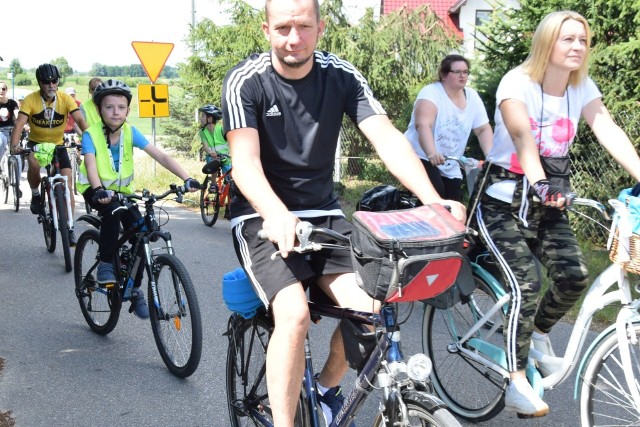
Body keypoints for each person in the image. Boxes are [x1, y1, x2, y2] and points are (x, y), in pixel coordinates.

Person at [221, 0, 466, 425]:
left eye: (303, 26)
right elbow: (245, 162)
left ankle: (325, 390)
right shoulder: (247, 81)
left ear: (320, 27)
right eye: (282, 28)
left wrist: (432, 199)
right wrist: (278, 216)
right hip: (262, 217)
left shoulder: (342, 75)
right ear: (266, 30)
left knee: (372, 308)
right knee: (294, 314)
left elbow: (387, 139)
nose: (293, 37)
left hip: (324, 214)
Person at [473, 10, 640, 417]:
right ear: (548, 42)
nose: (577, 47)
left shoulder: (581, 87)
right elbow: (520, 135)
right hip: (502, 202)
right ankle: (515, 382)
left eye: (583, 40)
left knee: (573, 276)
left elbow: (607, 128)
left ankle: (541, 333)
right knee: (526, 283)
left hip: (548, 204)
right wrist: (540, 182)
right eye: (568, 39)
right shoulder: (517, 83)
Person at [76, 79, 200, 318]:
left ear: (128, 111)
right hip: (96, 190)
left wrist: (187, 178)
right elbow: (91, 164)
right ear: (100, 110)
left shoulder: (130, 132)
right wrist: (99, 188)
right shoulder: (91, 134)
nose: (115, 112)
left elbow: (161, 156)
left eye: (121, 107)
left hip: (123, 193)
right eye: (109, 107)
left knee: (143, 231)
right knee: (112, 212)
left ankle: (134, 289)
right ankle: (105, 263)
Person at [10, 64, 88, 245]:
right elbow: (19, 124)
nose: (52, 85)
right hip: (36, 144)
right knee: (34, 165)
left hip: (58, 145)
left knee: (67, 184)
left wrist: (90, 141)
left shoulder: (65, 98)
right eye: (47, 82)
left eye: (55, 81)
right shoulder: (31, 99)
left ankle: (69, 228)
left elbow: (80, 120)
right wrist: (14, 145)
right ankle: (36, 194)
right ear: (40, 83)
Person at [404, 54, 493, 201]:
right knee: (436, 198)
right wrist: (432, 153)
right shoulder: (431, 92)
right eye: (457, 72)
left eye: (465, 72)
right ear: (444, 74)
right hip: (421, 156)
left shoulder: (472, 97)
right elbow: (423, 124)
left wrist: (491, 158)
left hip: (450, 163)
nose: (462, 76)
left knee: (453, 205)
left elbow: (483, 129)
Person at [198, 104, 231, 172]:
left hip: (225, 157)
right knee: (214, 164)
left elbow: (231, 143)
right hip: (211, 157)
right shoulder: (202, 132)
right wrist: (210, 152)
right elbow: (205, 146)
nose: (200, 118)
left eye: (203, 116)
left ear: (210, 119)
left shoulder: (221, 129)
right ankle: (213, 182)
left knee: (229, 175)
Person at [0, 81, 19, 170]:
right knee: (1, 142)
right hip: (0, 131)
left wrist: (22, 125)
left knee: (17, 153)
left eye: (3, 89)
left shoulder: (12, 103)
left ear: (6, 90)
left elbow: (17, 115)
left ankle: (17, 180)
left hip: (11, 130)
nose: (1, 91)